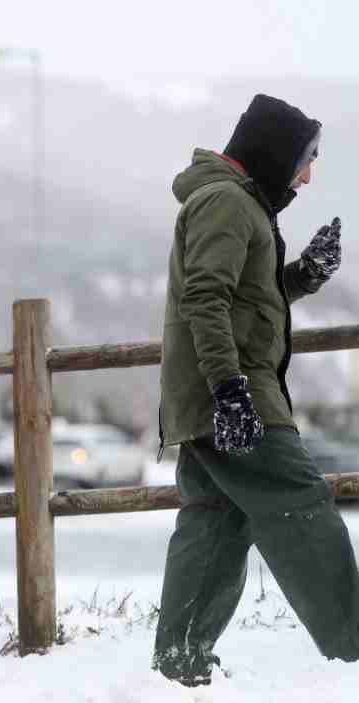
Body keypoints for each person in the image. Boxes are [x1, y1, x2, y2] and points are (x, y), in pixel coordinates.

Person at [153, 93, 359, 687]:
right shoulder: (226, 203)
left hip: (212, 397)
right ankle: (353, 644)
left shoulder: (239, 204)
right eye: (304, 158)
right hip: (234, 395)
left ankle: (179, 661)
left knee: (216, 522)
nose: (308, 175)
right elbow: (206, 298)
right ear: (273, 152)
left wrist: (306, 275)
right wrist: (231, 391)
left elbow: (247, 299)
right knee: (303, 507)